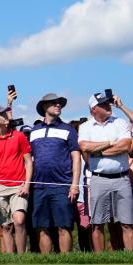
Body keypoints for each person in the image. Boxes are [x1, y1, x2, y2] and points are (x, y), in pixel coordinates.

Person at [79, 92, 133, 251]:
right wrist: (111, 143)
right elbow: (84, 147)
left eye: (108, 103)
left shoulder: (120, 123)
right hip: (98, 179)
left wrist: (99, 151)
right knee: (97, 223)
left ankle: (131, 259)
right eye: (103, 104)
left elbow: (125, 146)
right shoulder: (85, 127)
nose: (108, 106)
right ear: (94, 109)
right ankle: (99, 260)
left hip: (121, 178)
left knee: (127, 222)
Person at [29, 93, 81, 254]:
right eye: (54, 103)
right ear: (45, 107)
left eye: (59, 103)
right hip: (39, 186)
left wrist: (74, 185)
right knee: (41, 227)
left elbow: (76, 158)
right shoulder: (34, 131)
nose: (58, 105)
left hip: (62, 186)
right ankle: (46, 263)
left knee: (63, 226)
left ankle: (66, 262)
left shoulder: (68, 129)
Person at [0, 104, 32, 254]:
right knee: (5, 226)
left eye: (6, 113)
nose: (6, 116)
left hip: (19, 185)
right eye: (1, 114)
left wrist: (27, 185)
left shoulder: (19, 136)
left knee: (19, 220)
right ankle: (10, 259)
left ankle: (21, 257)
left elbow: (28, 162)